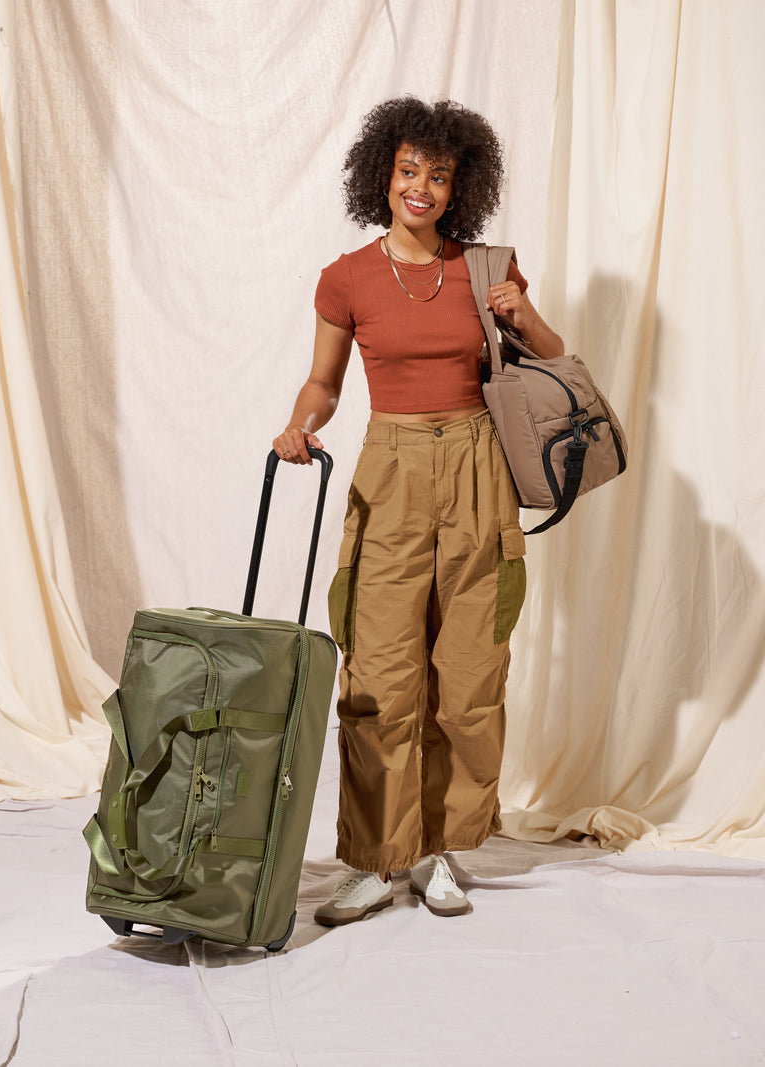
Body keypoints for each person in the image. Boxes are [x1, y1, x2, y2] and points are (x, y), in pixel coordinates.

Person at [272, 97, 563, 926]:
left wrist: (519, 312)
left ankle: (437, 851)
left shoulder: (483, 267)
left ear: (458, 186)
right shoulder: (348, 277)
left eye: (439, 175)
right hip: (391, 471)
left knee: (468, 679)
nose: (422, 187)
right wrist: (301, 424)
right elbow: (324, 383)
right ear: (383, 175)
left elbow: (554, 357)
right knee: (380, 677)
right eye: (408, 171)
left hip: (479, 469)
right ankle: (373, 858)